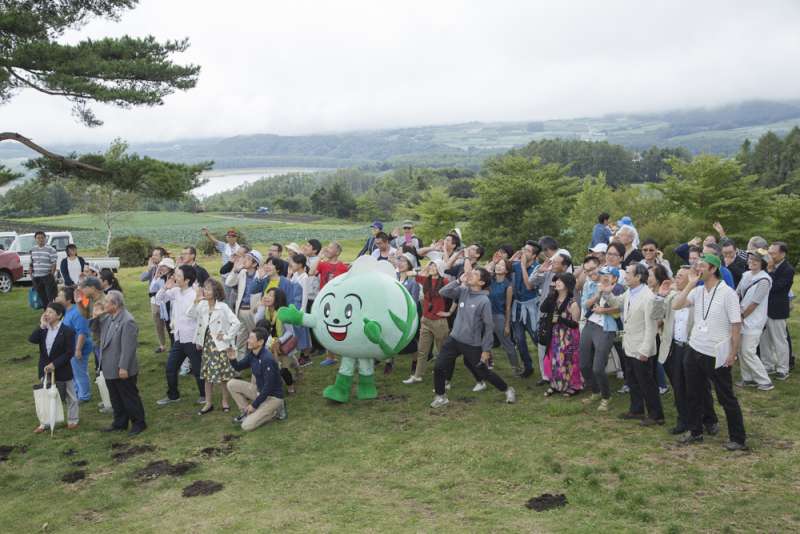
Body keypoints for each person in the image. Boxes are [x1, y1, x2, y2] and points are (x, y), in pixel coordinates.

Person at [671, 254, 747, 451]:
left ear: (713, 269)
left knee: (725, 396)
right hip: (694, 348)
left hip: (716, 351)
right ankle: (696, 432)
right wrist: (690, 283)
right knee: (693, 393)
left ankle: (738, 438)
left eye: (701, 266)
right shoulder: (697, 291)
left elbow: (736, 325)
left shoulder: (727, 293)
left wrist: (733, 352)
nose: (697, 269)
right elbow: (676, 305)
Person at [430, 268, 516, 408]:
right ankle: (441, 396)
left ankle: (507, 389)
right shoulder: (463, 291)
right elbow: (443, 292)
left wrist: (486, 350)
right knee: (439, 367)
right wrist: (458, 281)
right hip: (454, 339)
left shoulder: (484, 301)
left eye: (475, 274)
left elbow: (489, 327)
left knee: (483, 372)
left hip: (471, 344)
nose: (470, 274)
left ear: (481, 282)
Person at [652, 267, 719, 436]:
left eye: (681, 276)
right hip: (674, 347)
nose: (677, 279)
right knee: (679, 387)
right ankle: (684, 420)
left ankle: (709, 419)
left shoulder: (699, 294)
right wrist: (660, 295)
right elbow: (656, 316)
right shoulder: (671, 296)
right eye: (676, 275)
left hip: (693, 347)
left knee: (700, 387)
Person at [603, 264, 663, 426]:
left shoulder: (648, 297)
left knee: (647, 383)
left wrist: (645, 350)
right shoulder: (630, 292)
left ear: (638, 277)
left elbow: (652, 328)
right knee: (633, 380)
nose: (626, 276)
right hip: (629, 345)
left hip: (641, 348)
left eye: (629, 273)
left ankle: (656, 415)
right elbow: (617, 302)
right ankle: (636, 410)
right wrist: (607, 291)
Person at [94, 290, 146, 435]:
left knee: (129, 397)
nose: (104, 304)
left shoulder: (127, 321)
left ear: (115, 304)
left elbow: (128, 348)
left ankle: (139, 423)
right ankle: (120, 422)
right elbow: (94, 330)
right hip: (109, 366)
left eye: (106, 302)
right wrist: (95, 316)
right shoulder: (108, 318)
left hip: (122, 368)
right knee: (115, 398)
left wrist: (123, 367)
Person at [187, 277, 240, 415]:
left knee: (223, 377)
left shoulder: (223, 307)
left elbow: (236, 323)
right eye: (204, 288)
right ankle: (208, 403)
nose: (205, 290)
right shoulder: (202, 305)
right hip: (207, 346)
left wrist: (227, 336)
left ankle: (225, 402)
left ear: (215, 292)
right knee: (207, 376)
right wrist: (196, 301)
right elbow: (190, 314)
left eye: (208, 288)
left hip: (220, 347)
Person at [155, 265, 205, 406]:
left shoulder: (195, 294)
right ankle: (173, 395)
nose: (174, 278)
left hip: (192, 338)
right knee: (171, 367)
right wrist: (165, 287)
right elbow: (159, 299)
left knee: (197, 369)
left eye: (177, 275)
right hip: (178, 337)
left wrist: (199, 339)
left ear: (187, 280)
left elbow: (198, 316)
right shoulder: (175, 291)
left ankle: (204, 395)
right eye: (174, 275)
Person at [29, 302, 79, 432]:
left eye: (50, 312)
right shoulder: (43, 330)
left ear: (59, 315)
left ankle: (73, 420)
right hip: (45, 369)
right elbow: (32, 339)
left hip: (62, 368)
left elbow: (69, 352)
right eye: (46, 311)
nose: (47, 314)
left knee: (70, 396)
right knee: (45, 396)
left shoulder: (68, 331)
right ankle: (45, 423)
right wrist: (41, 326)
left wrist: (54, 364)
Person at [580, 265, 624, 412]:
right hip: (590, 324)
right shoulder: (594, 285)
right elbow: (586, 305)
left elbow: (619, 309)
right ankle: (595, 391)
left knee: (598, 367)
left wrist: (604, 308)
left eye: (607, 275)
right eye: (602, 274)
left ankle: (606, 397)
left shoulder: (619, 289)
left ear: (615, 278)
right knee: (584, 364)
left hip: (607, 328)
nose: (603, 277)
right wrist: (598, 294)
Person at [403, 260, 453, 384]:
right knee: (422, 350)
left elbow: (456, 296)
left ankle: (445, 379)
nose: (431, 267)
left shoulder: (445, 282)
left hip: (439, 322)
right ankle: (418, 375)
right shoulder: (426, 280)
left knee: (442, 352)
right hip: (426, 320)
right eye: (431, 265)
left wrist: (449, 312)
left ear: (440, 268)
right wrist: (425, 268)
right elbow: (411, 273)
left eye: (434, 265)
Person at [226, 327, 286, 431]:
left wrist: (254, 405)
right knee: (231, 384)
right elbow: (239, 367)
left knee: (246, 426)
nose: (248, 340)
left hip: (273, 397)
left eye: (251, 338)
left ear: (261, 342)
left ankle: (275, 410)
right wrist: (232, 359)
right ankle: (245, 412)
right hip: (260, 392)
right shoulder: (252, 354)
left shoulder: (267, 359)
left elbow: (269, 387)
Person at [735, 249, 774, 391]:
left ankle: (764, 381)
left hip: (754, 320)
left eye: (755, 261)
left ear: (762, 263)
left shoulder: (764, 280)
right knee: (740, 350)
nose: (751, 262)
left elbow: (755, 303)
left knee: (748, 351)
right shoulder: (745, 275)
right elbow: (737, 292)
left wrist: (742, 316)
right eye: (750, 260)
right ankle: (748, 378)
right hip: (741, 317)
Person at [540, 272, 584, 397]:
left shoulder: (572, 303)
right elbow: (542, 309)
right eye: (556, 281)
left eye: (560, 281)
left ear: (568, 284)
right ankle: (556, 384)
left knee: (568, 360)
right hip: (554, 333)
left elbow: (575, 324)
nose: (557, 283)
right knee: (555, 359)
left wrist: (561, 319)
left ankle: (574, 386)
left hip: (568, 335)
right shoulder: (553, 298)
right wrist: (550, 295)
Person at [309, 241, 349, 366]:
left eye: (331, 248)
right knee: (326, 326)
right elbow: (311, 272)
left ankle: (344, 351)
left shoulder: (343, 267)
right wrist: (319, 257)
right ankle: (330, 356)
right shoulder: (323, 264)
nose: (327, 249)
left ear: (337, 252)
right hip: (324, 300)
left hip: (338, 301)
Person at [225, 250, 268, 359]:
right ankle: (239, 365)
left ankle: (258, 362)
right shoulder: (242, 273)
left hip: (253, 311)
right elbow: (228, 283)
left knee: (256, 338)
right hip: (241, 310)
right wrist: (235, 270)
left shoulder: (261, 275)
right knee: (240, 339)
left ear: (255, 264)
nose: (244, 260)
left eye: (248, 259)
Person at [255, 287, 299, 393]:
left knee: (284, 369)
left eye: (271, 295)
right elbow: (256, 322)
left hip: (282, 345)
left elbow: (290, 332)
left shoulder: (283, 313)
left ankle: (291, 386)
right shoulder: (265, 311)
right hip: (270, 345)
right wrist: (261, 305)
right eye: (267, 294)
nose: (267, 297)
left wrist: (279, 341)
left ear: (278, 298)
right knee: (274, 367)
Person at [761, 241, 794, 380]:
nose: (770, 256)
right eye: (769, 252)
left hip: (778, 310)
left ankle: (783, 369)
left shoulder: (788, 269)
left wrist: (769, 271)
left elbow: (774, 287)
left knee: (780, 340)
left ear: (782, 253)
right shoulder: (767, 266)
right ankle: (767, 365)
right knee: (764, 340)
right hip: (764, 309)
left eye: (773, 253)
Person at [509, 241, 542, 379]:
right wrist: (513, 258)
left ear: (534, 255)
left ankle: (547, 367)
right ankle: (528, 367)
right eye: (523, 249)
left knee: (536, 338)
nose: (524, 252)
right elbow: (502, 267)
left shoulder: (538, 268)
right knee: (519, 339)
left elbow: (529, 286)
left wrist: (522, 265)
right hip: (517, 307)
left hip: (531, 308)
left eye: (527, 251)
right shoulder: (515, 265)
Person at [56, 287, 93, 403]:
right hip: (71, 348)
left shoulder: (77, 312)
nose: (57, 297)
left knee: (80, 372)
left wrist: (78, 349)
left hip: (79, 347)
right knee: (75, 372)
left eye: (60, 296)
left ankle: (84, 396)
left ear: (68, 300)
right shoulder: (67, 312)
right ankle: (78, 393)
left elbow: (82, 332)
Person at [488, 258, 520, 376]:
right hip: (486, 315)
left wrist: (507, 325)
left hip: (499, 317)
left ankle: (516, 368)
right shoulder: (489, 281)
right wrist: (492, 262)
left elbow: (508, 307)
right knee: (485, 342)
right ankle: (488, 364)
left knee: (507, 344)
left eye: (502, 265)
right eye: (498, 264)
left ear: (506, 270)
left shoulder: (508, 286)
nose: (498, 266)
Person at [140, 247, 169, 353]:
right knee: (158, 323)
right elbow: (142, 278)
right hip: (154, 300)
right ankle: (162, 345)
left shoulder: (168, 267)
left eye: (156, 255)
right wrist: (148, 268)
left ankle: (175, 344)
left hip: (166, 299)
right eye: (153, 255)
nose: (153, 257)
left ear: (162, 257)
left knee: (169, 322)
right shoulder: (152, 268)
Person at [288, 253, 312, 364]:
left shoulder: (304, 277)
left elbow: (305, 295)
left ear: (300, 264)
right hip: (293, 305)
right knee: (296, 330)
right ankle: (301, 353)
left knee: (302, 331)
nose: (291, 265)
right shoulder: (295, 275)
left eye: (294, 263)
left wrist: (302, 309)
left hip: (299, 306)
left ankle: (306, 355)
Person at [30, 230, 58, 307]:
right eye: (38, 238)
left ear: (45, 238)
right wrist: (31, 275)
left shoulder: (51, 249)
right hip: (37, 277)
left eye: (42, 238)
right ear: (35, 239)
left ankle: (54, 311)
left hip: (47, 276)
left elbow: (54, 263)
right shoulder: (33, 249)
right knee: (42, 297)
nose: (40, 240)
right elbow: (32, 262)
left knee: (51, 296)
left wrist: (51, 275)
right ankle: (46, 311)